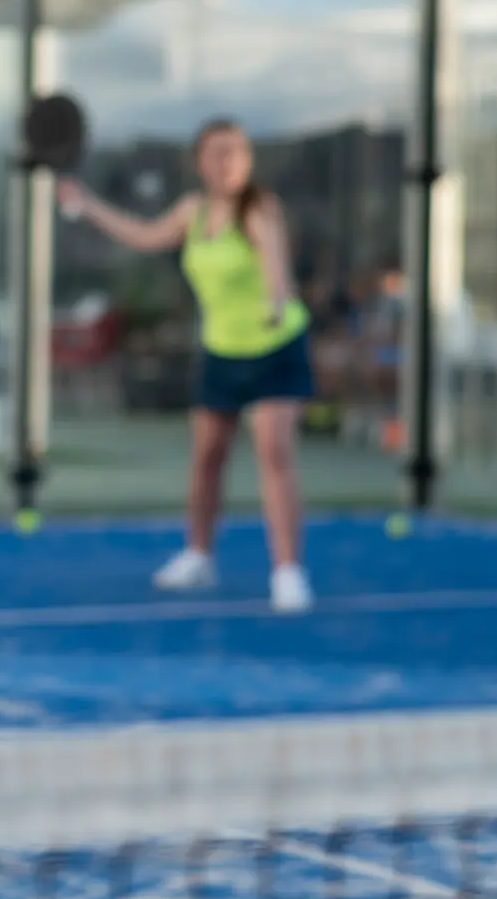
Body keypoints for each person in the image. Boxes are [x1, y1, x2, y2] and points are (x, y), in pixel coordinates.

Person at [58, 117, 315, 613]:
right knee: (207, 458)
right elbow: (143, 235)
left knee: (274, 452)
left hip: (275, 346)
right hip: (222, 350)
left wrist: (278, 300)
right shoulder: (192, 213)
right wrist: (87, 205)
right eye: (219, 152)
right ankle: (199, 556)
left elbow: (275, 258)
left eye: (237, 152)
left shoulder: (259, 207)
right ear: (200, 161)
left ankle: (288, 571)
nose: (229, 161)